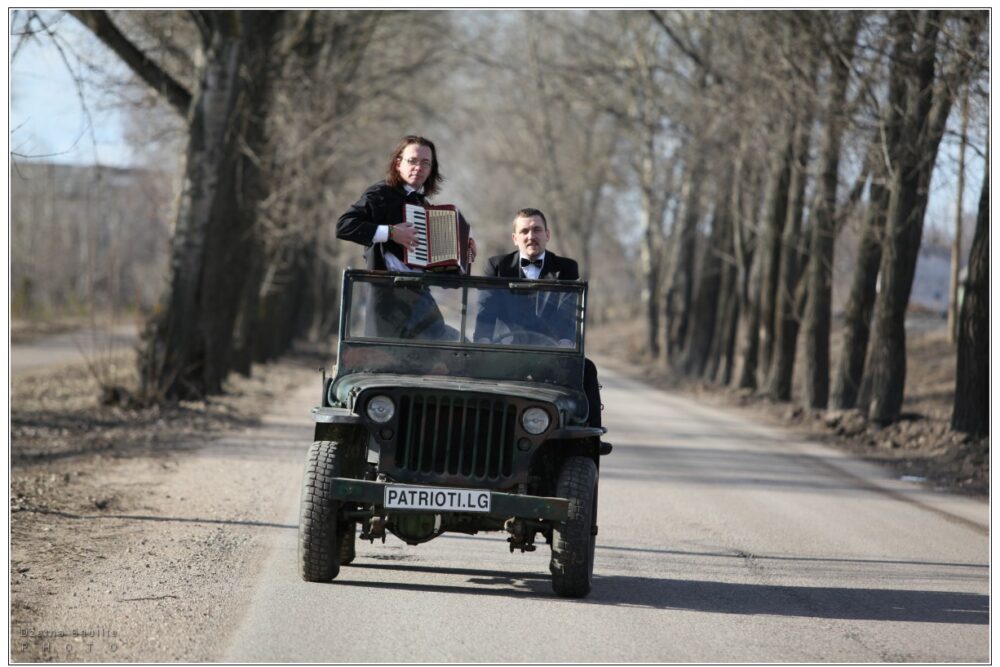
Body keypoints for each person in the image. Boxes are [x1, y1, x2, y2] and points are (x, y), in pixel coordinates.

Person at [336, 136, 476, 339]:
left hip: (420, 299)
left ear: (431, 170)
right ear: (398, 163)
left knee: (459, 349)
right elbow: (344, 226)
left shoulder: (425, 206)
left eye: (425, 163)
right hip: (389, 303)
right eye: (412, 161)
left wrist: (465, 254)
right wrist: (391, 232)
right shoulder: (380, 194)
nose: (418, 167)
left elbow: (448, 280)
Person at [480, 208, 605, 430]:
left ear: (547, 234)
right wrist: (483, 340)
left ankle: (590, 437)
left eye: (537, 230)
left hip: (551, 351)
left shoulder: (566, 268)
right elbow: (485, 311)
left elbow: (569, 311)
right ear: (515, 238)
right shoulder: (497, 266)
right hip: (508, 351)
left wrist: (565, 342)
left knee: (588, 370)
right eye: (525, 231)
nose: (531, 236)